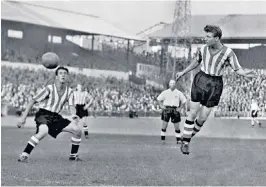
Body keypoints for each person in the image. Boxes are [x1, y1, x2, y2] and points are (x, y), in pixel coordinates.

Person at [176, 25, 257, 155]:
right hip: (200, 80)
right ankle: (185, 144)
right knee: (193, 112)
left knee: (202, 118)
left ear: (217, 38)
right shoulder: (203, 49)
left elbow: (237, 69)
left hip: (216, 84)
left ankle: (187, 137)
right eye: (205, 36)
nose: (205, 39)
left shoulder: (228, 52)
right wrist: (183, 72)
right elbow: (196, 62)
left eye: (208, 37)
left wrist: (245, 74)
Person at [17, 67, 83, 162]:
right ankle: (24, 155)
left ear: (67, 76)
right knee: (43, 131)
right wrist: (23, 118)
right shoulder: (49, 88)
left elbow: (72, 105)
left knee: (77, 130)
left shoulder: (70, 91)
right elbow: (33, 101)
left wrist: (73, 115)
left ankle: (73, 156)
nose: (63, 75)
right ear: (56, 77)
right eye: (60, 73)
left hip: (56, 117)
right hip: (44, 114)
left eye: (65, 73)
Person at [157, 80, 187, 144]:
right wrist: (161, 106)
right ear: (169, 84)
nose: (172, 84)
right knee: (164, 125)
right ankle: (163, 140)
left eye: (174, 83)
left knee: (177, 126)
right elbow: (159, 99)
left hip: (175, 109)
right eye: (171, 83)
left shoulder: (178, 93)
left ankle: (178, 140)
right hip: (167, 109)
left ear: (175, 84)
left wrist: (180, 108)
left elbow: (184, 101)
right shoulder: (165, 92)